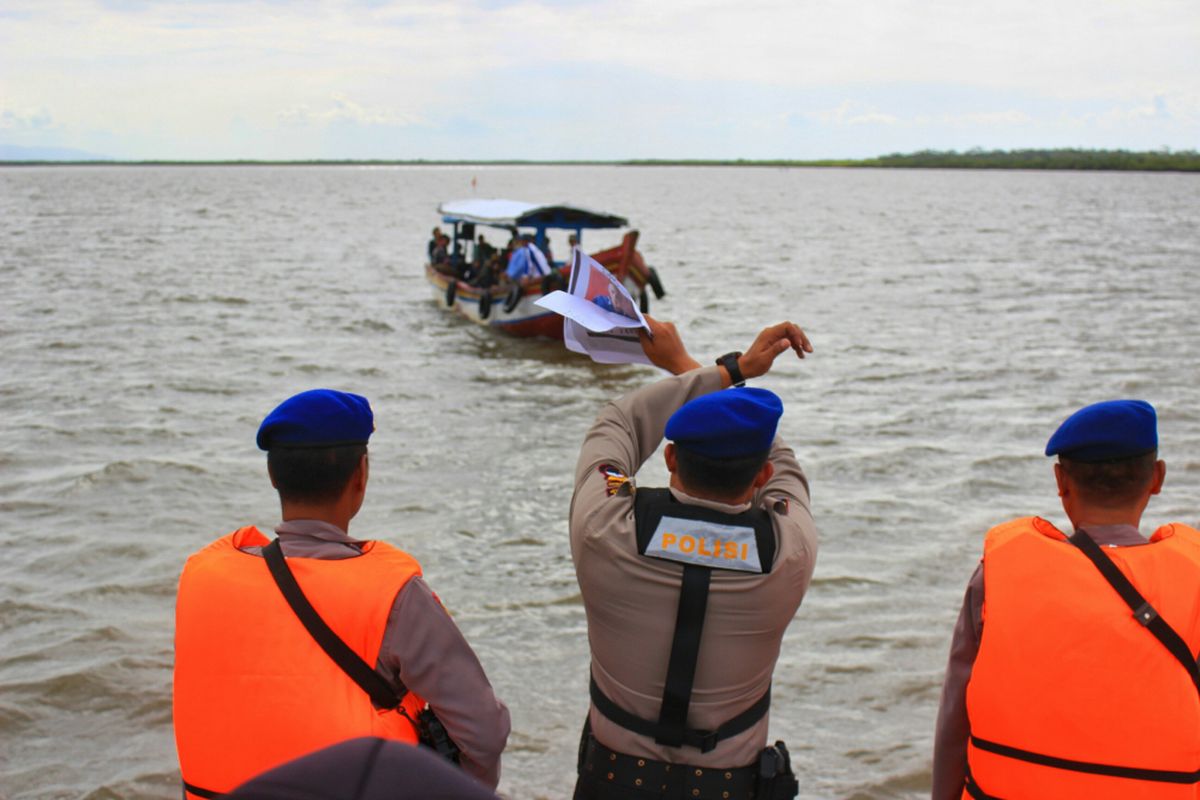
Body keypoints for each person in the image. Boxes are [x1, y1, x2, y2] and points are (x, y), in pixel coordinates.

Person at [173, 389, 510, 798]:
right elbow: (483, 733)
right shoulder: (394, 594)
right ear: (360, 476)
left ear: (273, 476)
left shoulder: (201, 576)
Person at [570, 318, 818, 800]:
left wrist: (727, 371)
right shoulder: (789, 550)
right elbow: (778, 461)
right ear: (761, 476)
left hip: (610, 782)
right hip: (730, 788)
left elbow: (618, 422)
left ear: (670, 459)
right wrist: (696, 366)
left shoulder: (604, 526)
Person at [931, 399, 1200, 799]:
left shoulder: (999, 575)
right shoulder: (1193, 581)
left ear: (1061, 481)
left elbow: (956, 712)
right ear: (1157, 478)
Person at [225, 737, 500, 800]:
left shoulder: (204, 596)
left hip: (221, 786)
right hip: (388, 783)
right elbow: (482, 734)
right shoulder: (395, 605)